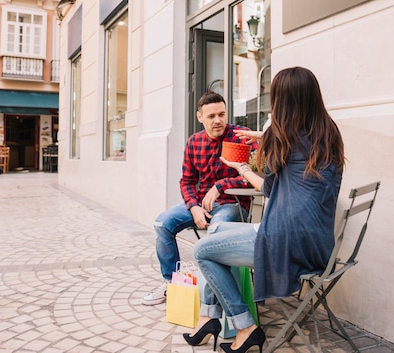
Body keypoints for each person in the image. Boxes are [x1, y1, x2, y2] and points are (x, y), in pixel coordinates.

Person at [183, 67, 345, 353]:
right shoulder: (326, 132)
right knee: (217, 231)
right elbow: (291, 162)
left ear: (283, 101)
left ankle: (245, 326)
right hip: (318, 242)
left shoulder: (283, 138)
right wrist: (265, 137)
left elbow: (268, 188)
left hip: (285, 240)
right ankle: (209, 317)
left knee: (202, 251)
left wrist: (243, 167)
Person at [142, 92, 256, 306]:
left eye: (222, 114)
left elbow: (256, 178)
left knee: (217, 232)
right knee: (162, 223)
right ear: (200, 117)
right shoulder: (194, 142)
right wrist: (193, 206)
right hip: (201, 204)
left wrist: (220, 186)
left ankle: (219, 294)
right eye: (211, 116)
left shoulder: (242, 136)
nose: (218, 120)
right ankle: (171, 284)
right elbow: (186, 181)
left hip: (234, 205)